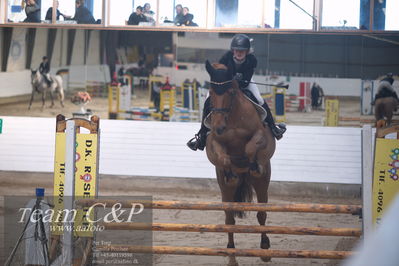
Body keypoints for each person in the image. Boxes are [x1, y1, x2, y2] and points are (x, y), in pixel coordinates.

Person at [187, 34, 286, 151]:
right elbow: (220, 74)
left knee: (259, 99)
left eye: (242, 51)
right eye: (237, 50)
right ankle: (202, 135)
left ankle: (273, 127)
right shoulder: (225, 58)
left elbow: (247, 80)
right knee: (208, 100)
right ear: (233, 50)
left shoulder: (252, 60)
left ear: (247, 51)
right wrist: (231, 80)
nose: (239, 53)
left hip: (245, 83)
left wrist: (239, 80)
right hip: (226, 84)